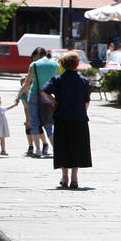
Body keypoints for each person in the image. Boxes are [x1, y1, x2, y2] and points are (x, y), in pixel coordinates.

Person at [41, 51, 92, 189]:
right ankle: (74, 177)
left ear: (63, 64)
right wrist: (81, 111)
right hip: (79, 119)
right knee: (76, 147)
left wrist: (54, 102)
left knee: (63, 146)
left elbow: (44, 92)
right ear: (77, 64)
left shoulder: (58, 79)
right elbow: (86, 102)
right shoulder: (83, 81)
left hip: (62, 117)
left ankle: (65, 177)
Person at [23, 47, 60, 157]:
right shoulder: (56, 65)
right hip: (48, 96)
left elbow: (27, 82)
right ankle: (55, 149)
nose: (33, 60)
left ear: (37, 54)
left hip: (35, 95)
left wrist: (19, 95)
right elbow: (57, 81)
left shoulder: (34, 65)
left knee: (35, 123)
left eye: (34, 57)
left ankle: (38, 150)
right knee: (48, 125)